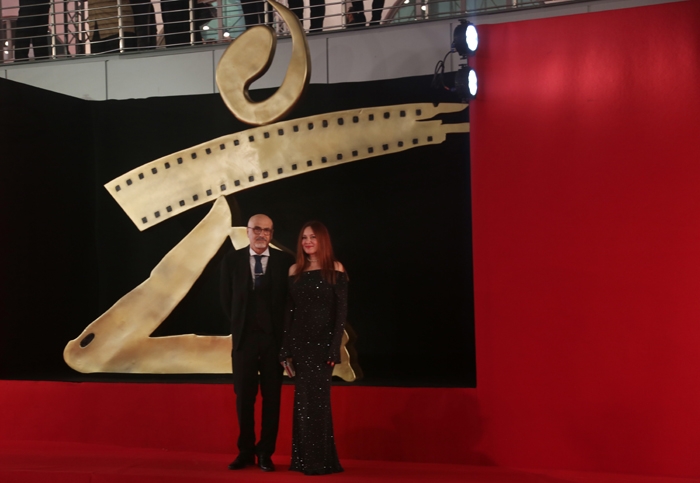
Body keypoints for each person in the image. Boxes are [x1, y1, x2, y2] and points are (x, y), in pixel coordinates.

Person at [220, 214, 295, 472]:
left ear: (272, 234)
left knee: (272, 399)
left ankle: (265, 453)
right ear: (248, 231)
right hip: (244, 340)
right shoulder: (231, 260)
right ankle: (245, 451)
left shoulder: (285, 261)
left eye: (267, 230)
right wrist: (241, 325)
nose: (261, 234)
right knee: (244, 397)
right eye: (257, 229)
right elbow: (226, 300)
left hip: (274, 341)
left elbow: (290, 302)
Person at [280, 221, 347, 475]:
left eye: (312, 237)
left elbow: (341, 313)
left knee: (318, 403)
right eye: (304, 237)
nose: (307, 241)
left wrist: (334, 348)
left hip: (323, 346)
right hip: (299, 344)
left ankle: (321, 461)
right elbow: (289, 312)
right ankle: (303, 460)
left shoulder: (335, 269)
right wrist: (285, 348)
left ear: (322, 240)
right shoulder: (294, 270)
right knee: (302, 403)